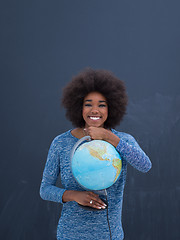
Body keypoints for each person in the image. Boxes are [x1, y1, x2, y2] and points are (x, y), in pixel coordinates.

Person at [40, 68, 152, 240]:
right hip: (70, 235)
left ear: (111, 108)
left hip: (110, 235)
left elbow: (145, 165)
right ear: (78, 106)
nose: (95, 110)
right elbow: (45, 189)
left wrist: (109, 137)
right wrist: (74, 195)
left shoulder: (122, 140)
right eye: (88, 104)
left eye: (102, 105)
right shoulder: (61, 143)